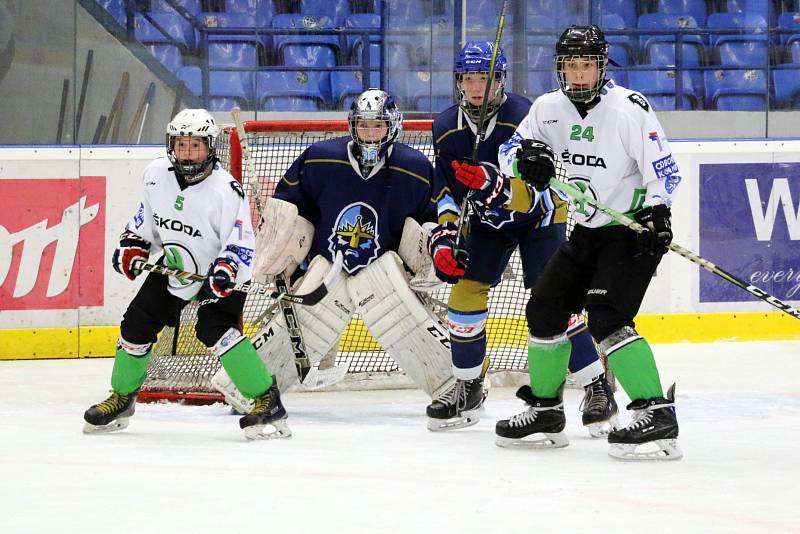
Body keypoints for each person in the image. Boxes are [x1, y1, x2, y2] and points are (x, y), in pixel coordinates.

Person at [494, 25, 682, 460]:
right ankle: (545, 410)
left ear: (602, 65)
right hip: (587, 230)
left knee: (606, 316)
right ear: (560, 67)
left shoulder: (628, 109)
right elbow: (509, 153)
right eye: (571, 65)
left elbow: (665, 170)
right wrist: (528, 161)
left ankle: (658, 414)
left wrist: (658, 209)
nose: (579, 74)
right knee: (544, 307)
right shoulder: (548, 108)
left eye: (588, 65)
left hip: (632, 230)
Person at [211, 89, 457, 418]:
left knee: (397, 307)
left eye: (377, 126)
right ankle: (249, 389)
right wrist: (284, 257)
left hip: (385, 269)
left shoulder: (415, 167)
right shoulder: (320, 158)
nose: (370, 134)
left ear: (392, 127)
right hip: (327, 265)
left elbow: (430, 223)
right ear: (352, 126)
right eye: (363, 126)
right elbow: (291, 210)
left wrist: (425, 262)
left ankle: (458, 386)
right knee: (305, 316)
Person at [426, 40, 617, 435]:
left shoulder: (528, 115)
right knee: (463, 300)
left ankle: (598, 386)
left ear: (501, 81)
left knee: (555, 303)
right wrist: (444, 237)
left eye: (486, 78)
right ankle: (469, 386)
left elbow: (537, 190)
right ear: (458, 81)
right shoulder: (445, 126)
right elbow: (445, 192)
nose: (477, 87)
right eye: (469, 78)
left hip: (540, 216)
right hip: (486, 222)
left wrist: (494, 186)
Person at [83, 109, 289, 440]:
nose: (188, 154)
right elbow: (145, 221)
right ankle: (122, 397)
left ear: (210, 148)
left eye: (195, 146)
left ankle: (266, 399)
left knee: (215, 330)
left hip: (221, 273)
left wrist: (225, 271)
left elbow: (240, 241)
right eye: (181, 145)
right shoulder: (155, 175)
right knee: (136, 324)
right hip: (175, 267)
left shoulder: (227, 189)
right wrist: (133, 246)